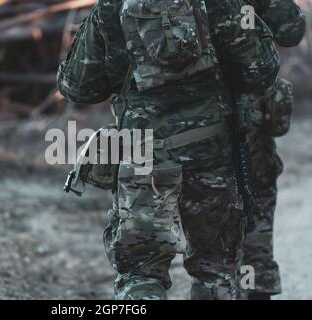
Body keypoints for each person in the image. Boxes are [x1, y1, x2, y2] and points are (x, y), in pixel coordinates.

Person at [58, 0, 279, 300]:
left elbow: (77, 87)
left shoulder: (111, 6)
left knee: (140, 275)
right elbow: (261, 72)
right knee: (216, 269)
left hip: (143, 159)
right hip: (211, 153)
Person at [241, 0, 306, 300]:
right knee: (250, 249)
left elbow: (293, 30)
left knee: (210, 259)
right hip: (243, 129)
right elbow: (292, 30)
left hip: (183, 133)